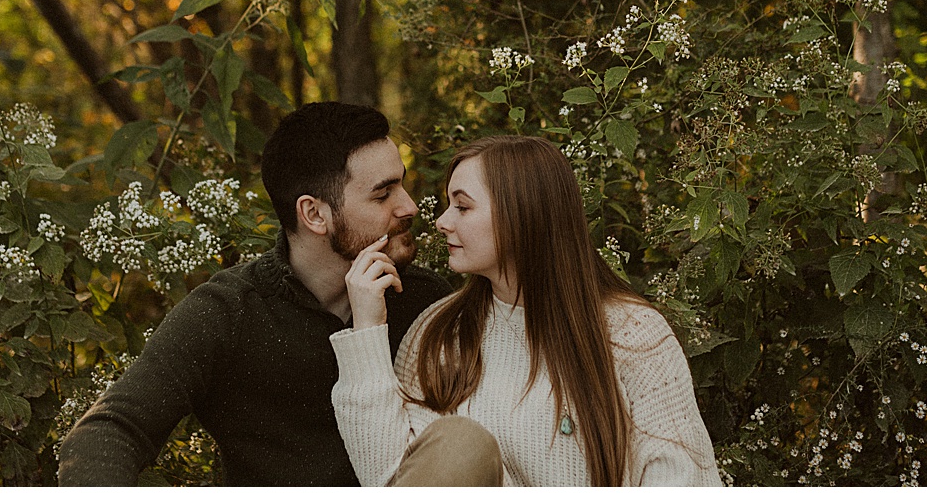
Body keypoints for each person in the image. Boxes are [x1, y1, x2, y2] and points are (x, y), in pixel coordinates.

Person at [56, 102, 454, 486]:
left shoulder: (422, 300)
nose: (410, 206)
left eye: (402, 184)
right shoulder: (230, 312)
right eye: (383, 194)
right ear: (314, 214)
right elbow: (111, 428)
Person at [331, 134, 724, 486]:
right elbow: (389, 480)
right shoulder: (438, 334)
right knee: (461, 445)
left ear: (522, 215)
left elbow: (682, 479)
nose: (441, 222)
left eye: (463, 207)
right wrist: (367, 330)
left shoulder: (632, 333)